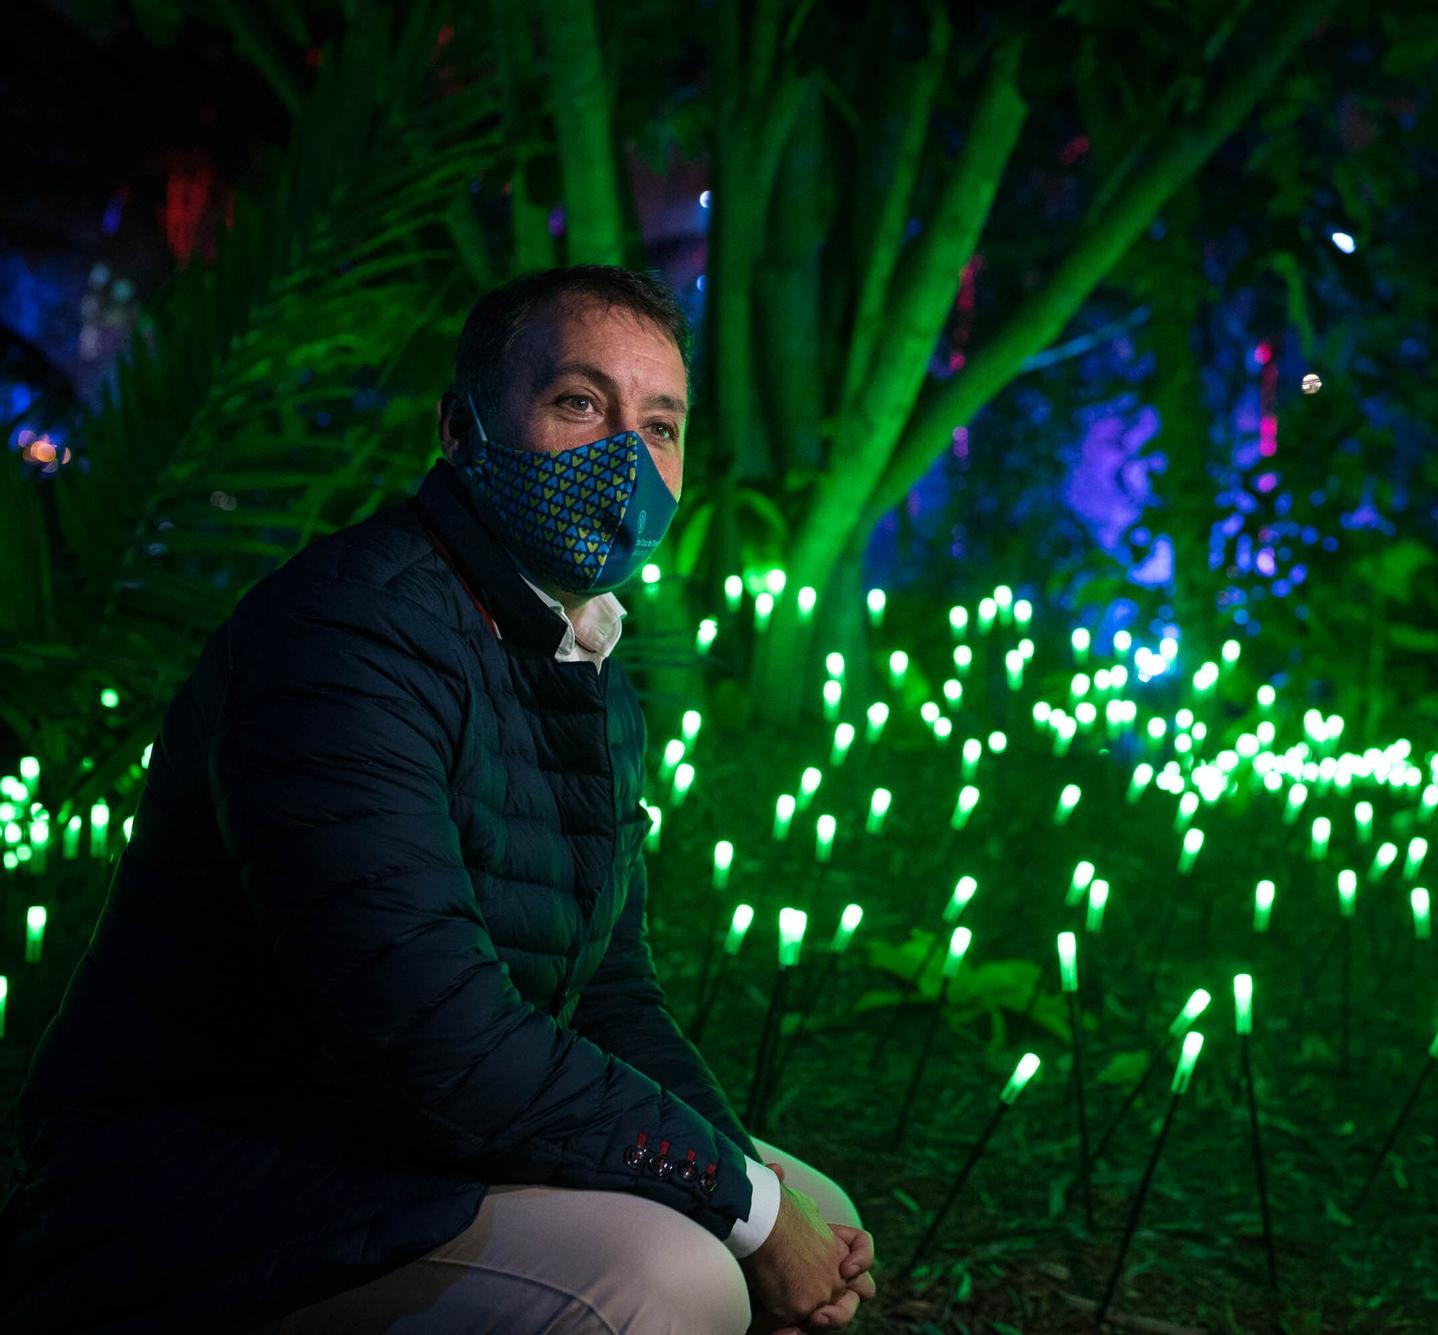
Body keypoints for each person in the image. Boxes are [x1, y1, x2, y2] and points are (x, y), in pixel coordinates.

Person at [0, 265, 875, 1334]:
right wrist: (740, 1210)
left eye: (658, 425)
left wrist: (749, 1192)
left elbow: (609, 994)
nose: (624, 461)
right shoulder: (344, 637)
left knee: (813, 1213)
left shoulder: (583, 659)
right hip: (229, 1177)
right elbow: (435, 1036)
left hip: (418, 1138)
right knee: (671, 1279)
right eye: (575, 403)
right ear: (462, 430)